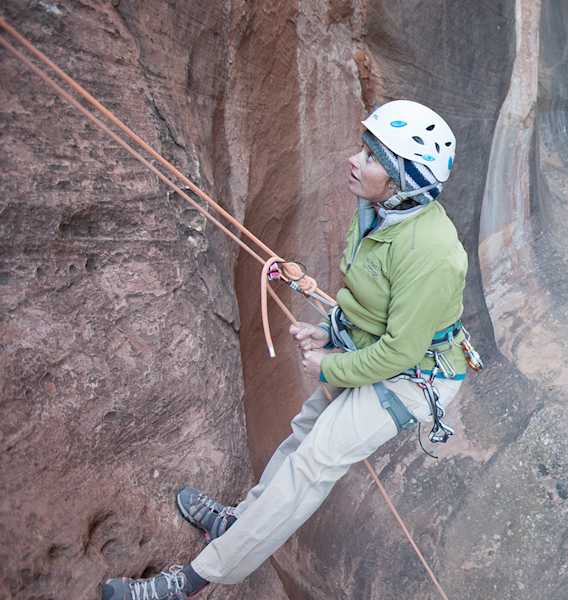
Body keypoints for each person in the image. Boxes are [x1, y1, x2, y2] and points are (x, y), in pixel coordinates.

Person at [101, 100, 476, 599]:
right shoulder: (378, 213)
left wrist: (334, 362)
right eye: (364, 149)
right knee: (303, 434)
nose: (353, 159)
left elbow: (402, 353)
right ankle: (238, 524)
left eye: (370, 157)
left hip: (416, 378)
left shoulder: (433, 254)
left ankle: (193, 580)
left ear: (401, 178)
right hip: (376, 352)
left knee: (313, 464)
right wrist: (332, 331)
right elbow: (375, 303)